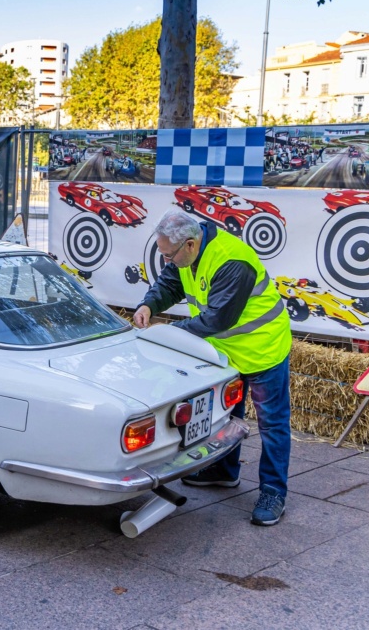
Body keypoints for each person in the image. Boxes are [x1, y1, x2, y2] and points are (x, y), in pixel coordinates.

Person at [133, 208, 292, 527]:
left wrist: (168, 334)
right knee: (226, 415)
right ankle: (224, 470)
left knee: (272, 424)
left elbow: (218, 319)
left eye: (169, 255)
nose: (167, 261)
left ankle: (274, 492)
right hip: (224, 353)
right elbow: (169, 284)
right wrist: (148, 304)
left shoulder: (232, 261)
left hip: (262, 350)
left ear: (190, 244)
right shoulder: (186, 254)